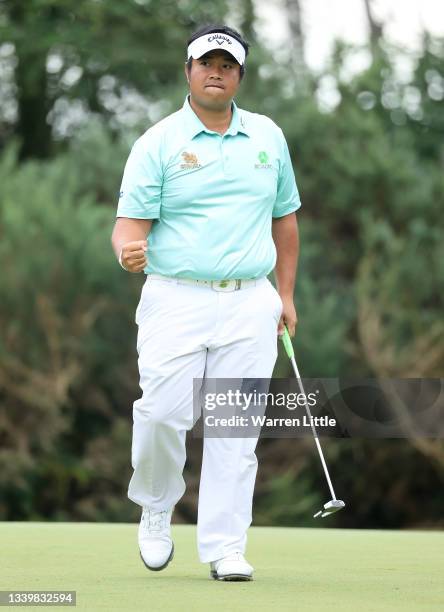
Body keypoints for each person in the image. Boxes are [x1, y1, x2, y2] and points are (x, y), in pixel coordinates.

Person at [111, 23, 301, 581]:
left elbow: (285, 220)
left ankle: (225, 548)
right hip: (176, 299)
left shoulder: (269, 137)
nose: (215, 71)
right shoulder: (159, 141)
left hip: (250, 301)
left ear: (240, 75)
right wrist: (127, 251)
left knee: (235, 429)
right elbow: (128, 227)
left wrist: (284, 296)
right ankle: (155, 506)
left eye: (227, 64)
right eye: (205, 63)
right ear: (188, 71)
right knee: (161, 415)